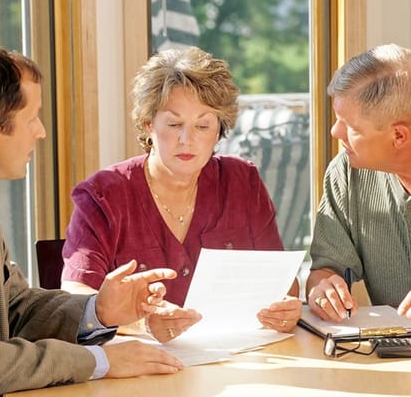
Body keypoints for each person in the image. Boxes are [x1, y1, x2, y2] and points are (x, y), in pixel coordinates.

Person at [0, 41, 184, 397]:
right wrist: (98, 362)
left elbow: (12, 310)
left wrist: (98, 309)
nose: (41, 132)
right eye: (32, 119)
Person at [61, 46, 302, 343]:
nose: (187, 140)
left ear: (219, 131)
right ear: (149, 125)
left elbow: (282, 283)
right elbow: (76, 296)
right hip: (141, 371)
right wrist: (142, 324)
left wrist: (285, 308)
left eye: (203, 125)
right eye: (174, 124)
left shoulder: (242, 181)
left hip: (236, 361)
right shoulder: (102, 195)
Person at [306, 43, 411, 338]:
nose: (335, 132)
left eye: (350, 126)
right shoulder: (346, 171)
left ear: (399, 135)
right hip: (391, 362)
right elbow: (325, 270)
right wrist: (324, 289)